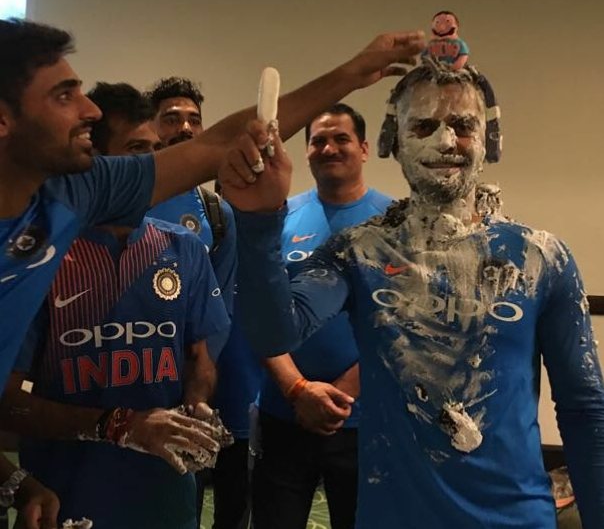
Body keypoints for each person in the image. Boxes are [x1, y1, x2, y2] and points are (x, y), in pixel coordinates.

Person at [0, 16, 424, 524]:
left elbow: (216, 144)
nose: (88, 110)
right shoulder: (70, 216)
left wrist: (353, 73)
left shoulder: (75, 192)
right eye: (63, 96)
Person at [221, 59, 604, 529]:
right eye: (423, 126)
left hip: (513, 518)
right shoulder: (360, 251)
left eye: (462, 125)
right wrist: (260, 222)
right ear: (394, 143)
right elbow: (275, 332)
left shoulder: (539, 259)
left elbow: (585, 409)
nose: (445, 142)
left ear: (488, 140)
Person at [0, 83, 231, 529]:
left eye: (156, 151)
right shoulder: (41, 257)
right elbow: (8, 404)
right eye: (137, 151)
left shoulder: (183, 248)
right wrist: (118, 425)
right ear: (96, 162)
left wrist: (196, 404)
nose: (154, 166)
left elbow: (199, 359)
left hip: (166, 499)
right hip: (66, 499)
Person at [253, 104, 392, 529]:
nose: (329, 148)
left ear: (364, 148)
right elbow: (258, 312)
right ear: (307, 151)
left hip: (366, 421)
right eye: (319, 141)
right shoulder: (280, 217)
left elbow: (406, 327)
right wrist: (298, 390)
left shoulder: (396, 223)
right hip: (285, 412)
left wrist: (342, 395)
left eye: (341, 139)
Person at [146, 77, 262, 529]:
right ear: (151, 127)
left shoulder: (217, 211)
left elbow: (222, 308)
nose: (185, 128)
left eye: (194, 119)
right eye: (171, 118)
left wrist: (198, 378)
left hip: (203, 379)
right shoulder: (128, 198)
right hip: (137, 378)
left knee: (210, 493)